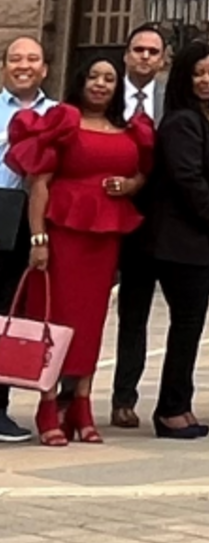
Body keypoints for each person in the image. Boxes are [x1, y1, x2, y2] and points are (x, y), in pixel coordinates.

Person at [6, 59, 150, 446]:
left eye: (108, 79)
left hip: (104, 239)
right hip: (62, 234)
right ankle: (49, 404)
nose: (100, 84)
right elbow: (40, 184)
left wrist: (131, 185)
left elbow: (142, 173)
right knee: (55, 318)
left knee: (92, 320)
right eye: (93, 77)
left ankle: (83, 402)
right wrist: (38, 239)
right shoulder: (63, 120)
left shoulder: (127, 128)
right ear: (80, 80)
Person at [142, 42, 209, 440]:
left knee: (191, 327)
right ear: (184, 75)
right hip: (182, 241)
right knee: (185, 327)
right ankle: (170, 410)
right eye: (199, 73)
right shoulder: (182, 121)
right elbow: (188, 178)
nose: (207, 80)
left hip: (203, 241)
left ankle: (179, 403)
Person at [110, 23, 168, 429]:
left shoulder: (171, 102)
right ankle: (68, 394)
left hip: (157, 223)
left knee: (136, 313)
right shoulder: (104, 94)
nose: (145, 56)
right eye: (138, 49)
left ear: (163, 59)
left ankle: (124, 398)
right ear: (126, 54)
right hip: (105, 216)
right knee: (89, 310)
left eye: (153, 51)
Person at [0, 36, 55, 444]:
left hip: (26, 218)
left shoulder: (57, 115)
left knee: (8, 314)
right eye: (15, 58)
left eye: (32, 59)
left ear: (45, 68)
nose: (24, 65)